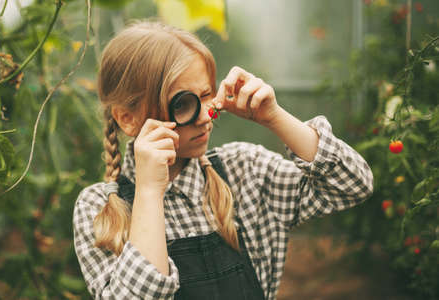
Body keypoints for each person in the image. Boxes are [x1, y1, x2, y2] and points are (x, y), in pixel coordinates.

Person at [73, 20, 373, 300]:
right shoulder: (100, 210)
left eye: (206, 95)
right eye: (185, 104)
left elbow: (352, 184)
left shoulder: (244, 172)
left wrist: (274, 117)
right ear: (128, 119)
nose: (205, 117)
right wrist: (149, 191)